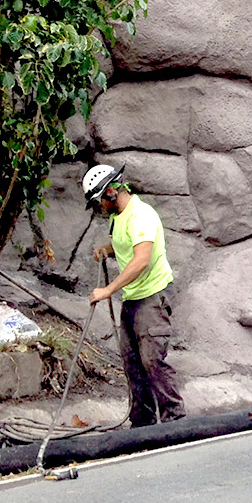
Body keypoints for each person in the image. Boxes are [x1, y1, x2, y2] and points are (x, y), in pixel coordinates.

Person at [82, 164, 185, 427]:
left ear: (113, 191)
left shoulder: (141, 215)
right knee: (131, 361)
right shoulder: (118, 216)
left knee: (152, 360)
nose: (100, 207)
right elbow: (127, 244)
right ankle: (142, 422)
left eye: (100, 200)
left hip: (152, 296)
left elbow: (141, 260)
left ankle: (175, 418)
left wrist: (108, 290)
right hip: (133, 297)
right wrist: (107, 250)